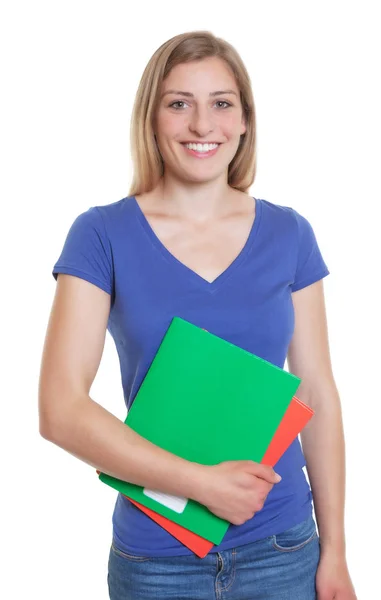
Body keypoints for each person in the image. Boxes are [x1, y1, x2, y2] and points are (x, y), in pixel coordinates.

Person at [38, 30, 357, 600]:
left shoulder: (290, 233)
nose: (202, 125)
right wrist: (202, 484)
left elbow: (319, 396)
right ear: (153, 118)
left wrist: (335, 552)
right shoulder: (101, 235)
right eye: (179, 103)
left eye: (221, 104)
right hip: (158, 557)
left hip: (283, 547)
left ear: (244, 121)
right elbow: (60, 409)